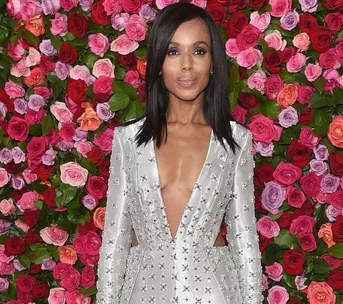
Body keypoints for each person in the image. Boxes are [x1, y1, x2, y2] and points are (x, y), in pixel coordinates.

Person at [96, 2, 263, 304]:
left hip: (215, 295)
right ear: (158, 62)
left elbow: (244, 240)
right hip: (141, 295)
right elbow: (114, 241)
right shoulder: (129, 140)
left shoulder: (235, 141)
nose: (187, 65)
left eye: (198, 51)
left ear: (213, 62)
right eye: (173, 52)